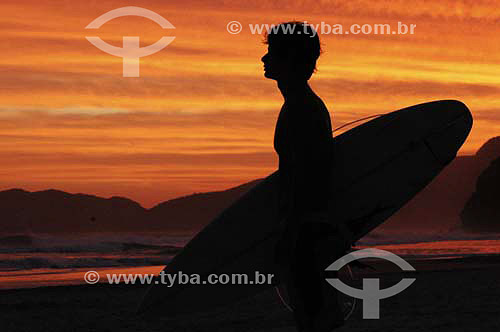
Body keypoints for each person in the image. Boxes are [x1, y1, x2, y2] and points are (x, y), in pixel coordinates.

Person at [261, 21, 352, 331]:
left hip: (308, 232)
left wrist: (290, 232)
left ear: (290, 59)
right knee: (315, 315)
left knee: (315, 318)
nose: (264, 59)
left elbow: (308, 177)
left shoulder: (303, 108)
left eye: (272, 52)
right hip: (310, 229)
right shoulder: (300, 105)